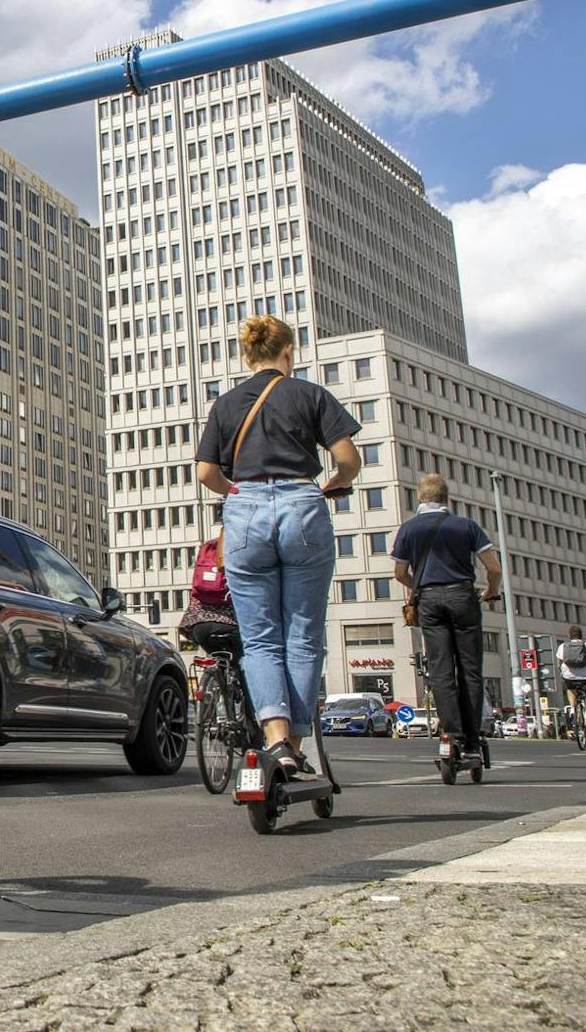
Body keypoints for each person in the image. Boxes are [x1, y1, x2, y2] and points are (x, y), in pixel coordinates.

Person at [195, 316, 362, 777]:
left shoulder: (226, 404)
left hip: (246, 510)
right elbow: (348, 460)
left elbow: (207, 474)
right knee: (303, 634)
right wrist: (331, 486)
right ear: (288, 351)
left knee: (261, 638)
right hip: (302, 505)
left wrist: (241, 493)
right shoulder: (310, 395)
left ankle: (274, 740)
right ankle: (296, 740)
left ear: (247, 356)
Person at [391, 472, 502, 761]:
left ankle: (451, 734)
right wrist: (491, 591)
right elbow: (494, 568)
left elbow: (400, 573)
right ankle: (473, 740)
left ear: (420, 498)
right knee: (470, 669)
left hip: (429, 600)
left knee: (440, 669)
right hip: (462, 596)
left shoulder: (408, 529)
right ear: (447, 498)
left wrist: (419, 585)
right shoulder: (466, 526)